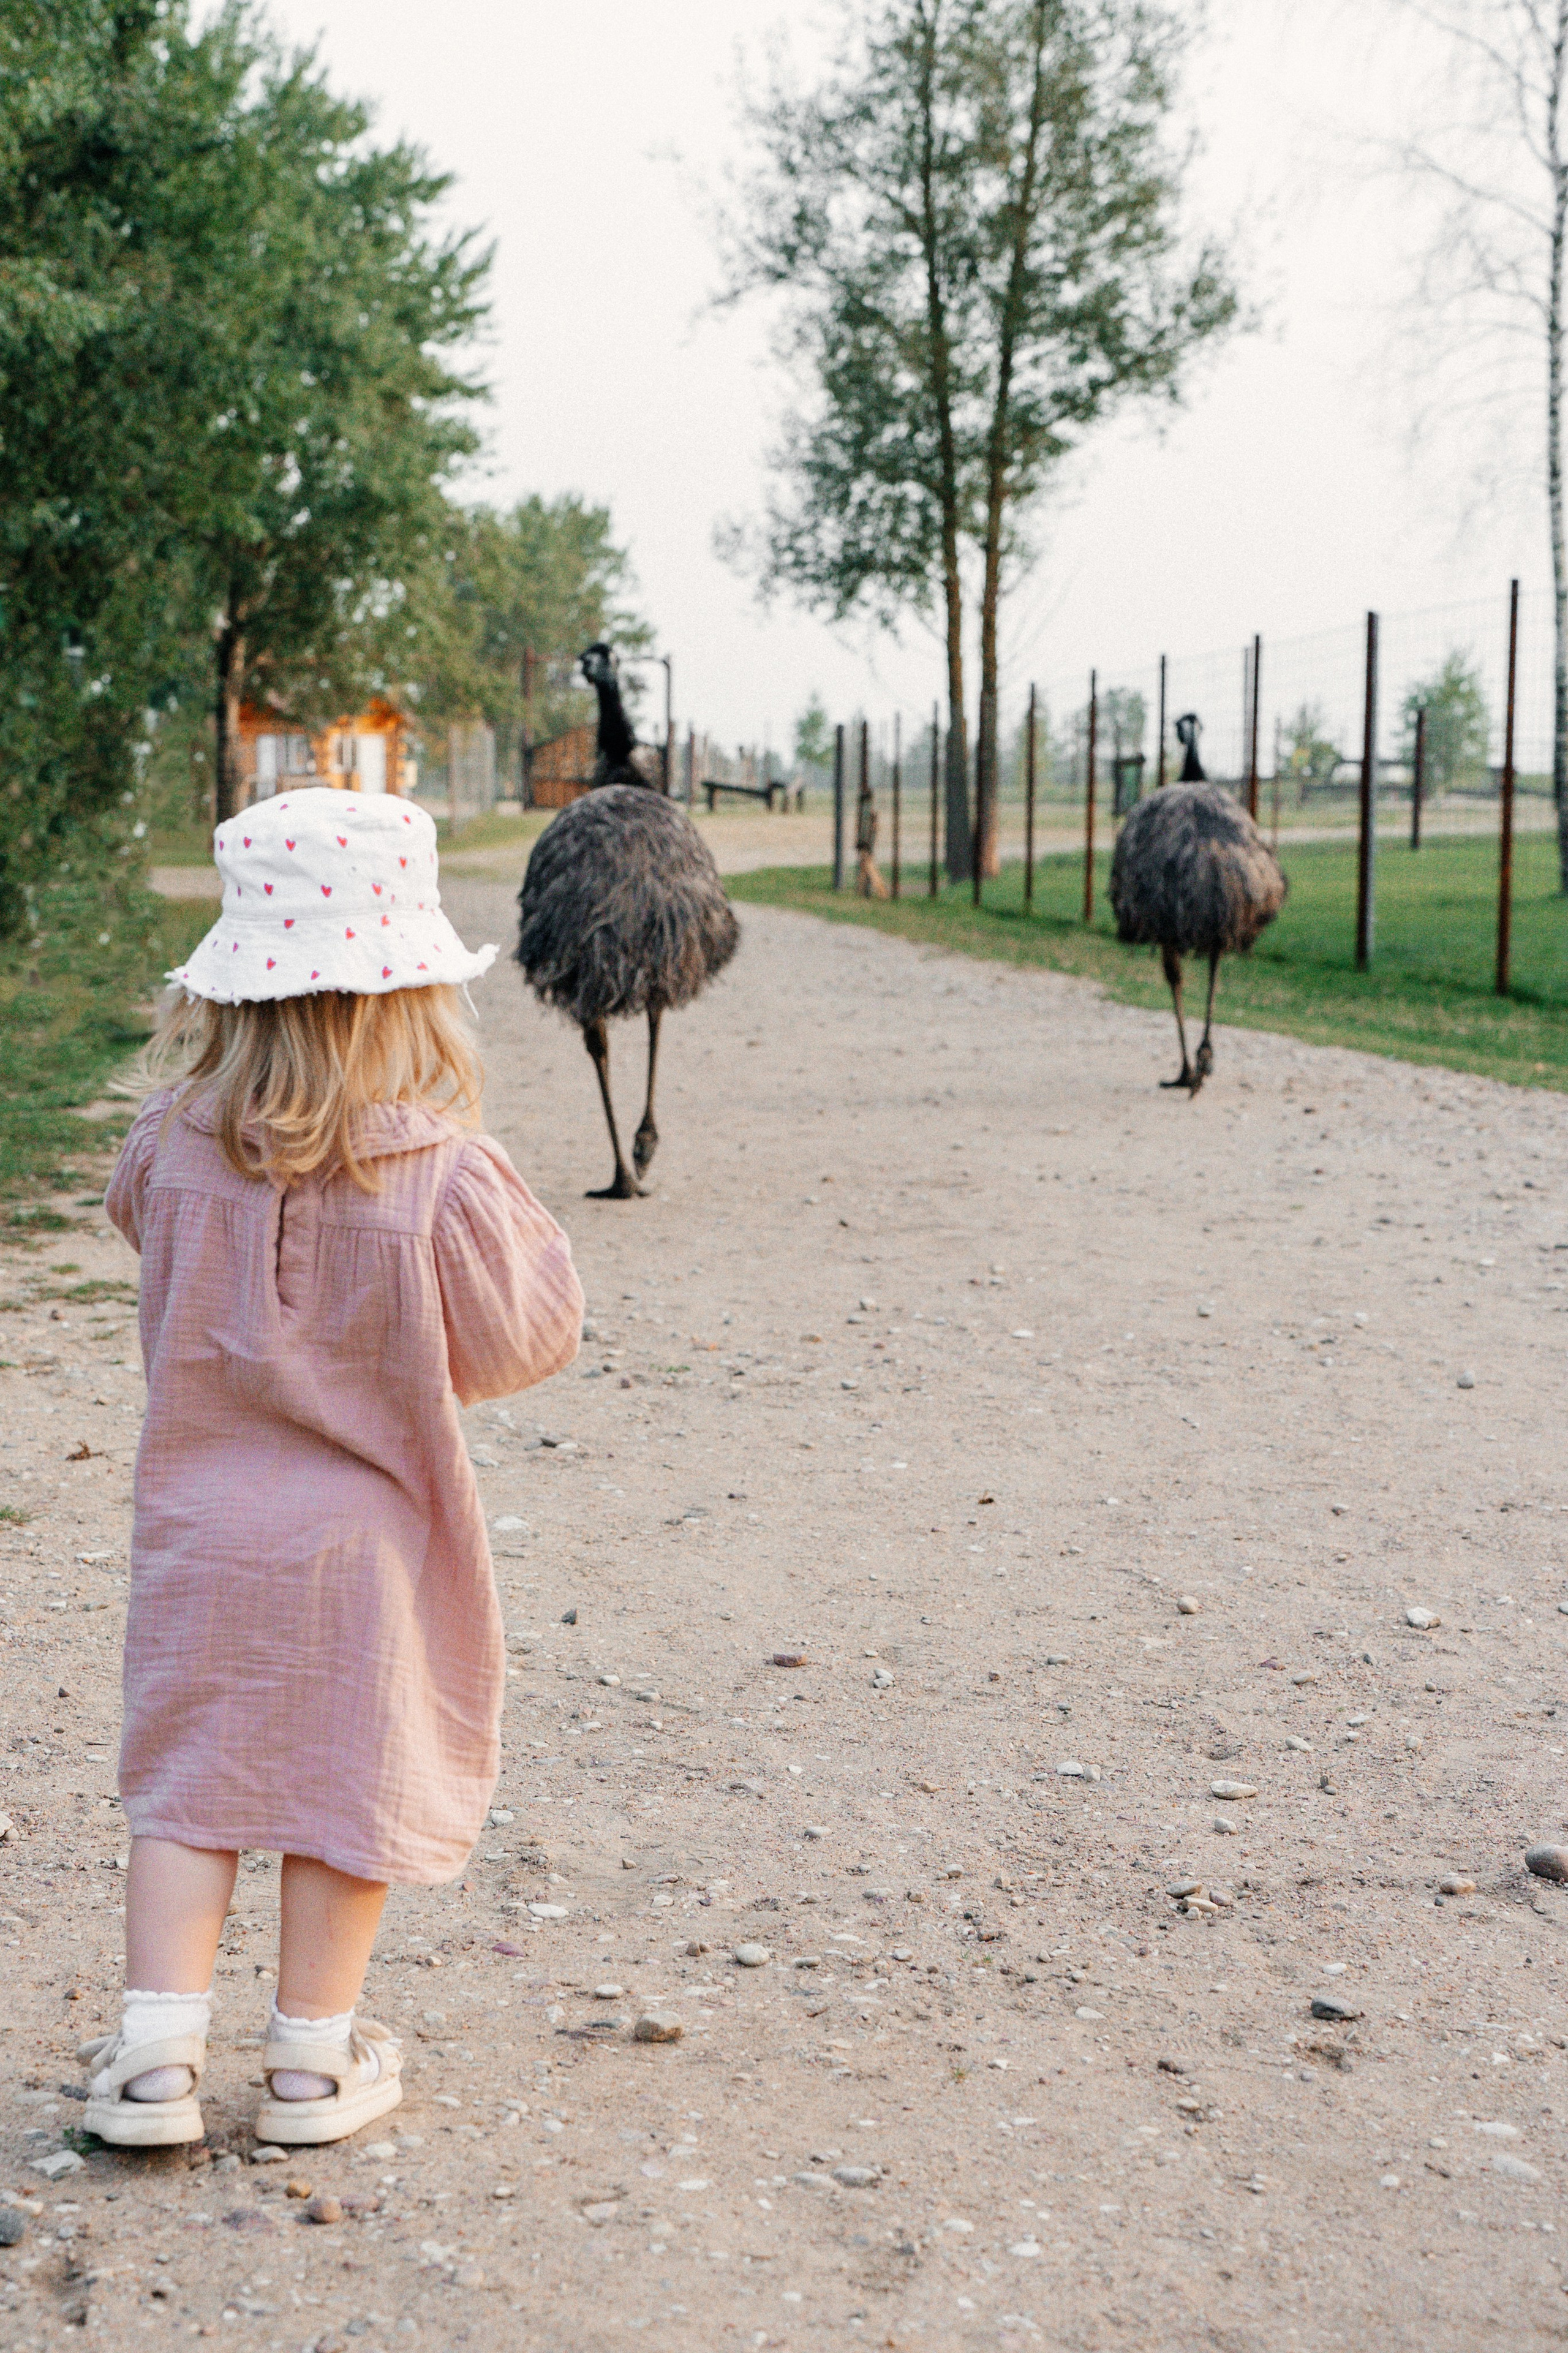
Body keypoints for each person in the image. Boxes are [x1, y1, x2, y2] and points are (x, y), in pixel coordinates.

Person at [83, 785, 583, 2150]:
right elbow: (523, 1337)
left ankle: (153, 2060)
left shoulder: (166, 1147)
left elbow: (146, 1233)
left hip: (198, 1529)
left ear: (233, 992)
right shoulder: (441, 1174)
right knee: (338, 1790)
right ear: (410, 995)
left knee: (187, 1788)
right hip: (367, 1547)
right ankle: (310, 2067)